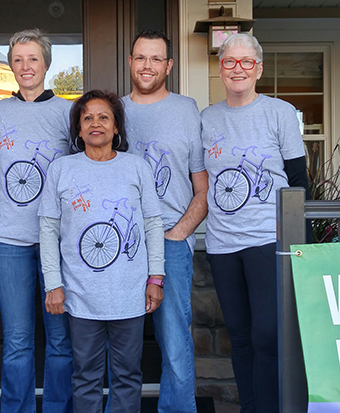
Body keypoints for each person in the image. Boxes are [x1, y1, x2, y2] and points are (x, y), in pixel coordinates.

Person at [38, 90, 165, 413]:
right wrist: (53, 284)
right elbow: (48, 230)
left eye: (104, 117)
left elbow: (152, 225)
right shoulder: (62, 170)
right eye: (87, 118)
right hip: (81, 296)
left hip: (130, 294)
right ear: (78, 130)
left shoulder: (136, 168)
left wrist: (156, 278)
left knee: (127, 376)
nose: (96, 124)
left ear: (117, 127)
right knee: (85, 377)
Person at [201, 33, 309, 412]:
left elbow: (298, 180)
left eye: (247, 62)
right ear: (220, 68)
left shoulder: (279, 112)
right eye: (230, 61)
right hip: (222, 244)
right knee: (241, 337)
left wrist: (300, 237)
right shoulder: (207, 118)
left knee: (268, 336)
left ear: (259, 68)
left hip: (268, 239)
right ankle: (250, 407)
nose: (238, 69)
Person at [121, 30, 208, 413]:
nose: (147, 66)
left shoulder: (187, 110)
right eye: (141, 57)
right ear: (130, 61)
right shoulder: (113, 111)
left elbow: (202, 189)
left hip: (172, 242)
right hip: (121, 245)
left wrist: (177, 235)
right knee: (116, 344)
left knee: (174, 342)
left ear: (169, 66)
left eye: (156, 59)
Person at [0, 28, 73, 413]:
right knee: (17, 340)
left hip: (58, 241)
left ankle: (58, 408)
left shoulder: (68, 111)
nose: (25, 66)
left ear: (46, 64)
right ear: (11, 65)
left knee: (60, 339)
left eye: (33, 58)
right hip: (8, 240)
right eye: (18, 59)